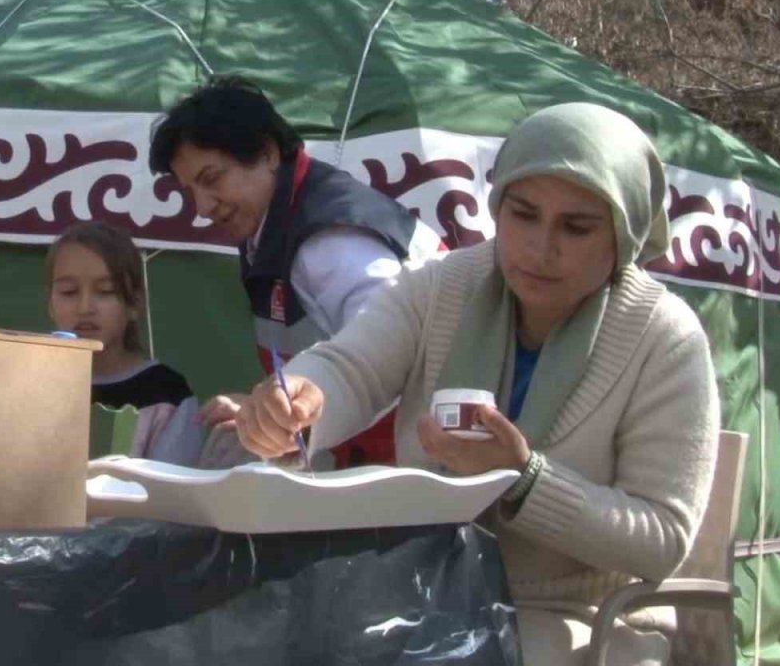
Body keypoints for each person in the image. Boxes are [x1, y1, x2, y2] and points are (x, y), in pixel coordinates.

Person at [235, 103, 721, 665]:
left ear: (623, 232)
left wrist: (524, 481)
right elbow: (351, 366)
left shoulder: (664, 339)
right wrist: (300, 399)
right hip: (421, 590)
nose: (541, 248)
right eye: (522, 214)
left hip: (582, 617)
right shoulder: (444, 286)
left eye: (577, 227)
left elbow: (660, 538)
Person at [149, 75, 443, 468]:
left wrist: (286, 420)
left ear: (268, 153)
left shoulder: (330, 240)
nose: (202, 207)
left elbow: (389, 357)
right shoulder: (273, 227)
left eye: (211, 179)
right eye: (190, 191)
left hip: (414, 469)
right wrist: (263, 409)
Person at [46, 222, 202, 466]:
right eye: (69, 292)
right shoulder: (30, 384)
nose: (85, 307)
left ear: (134, 304)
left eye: (106, 291)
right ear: (50, 304)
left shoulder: (168, 394)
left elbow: (171, 493)